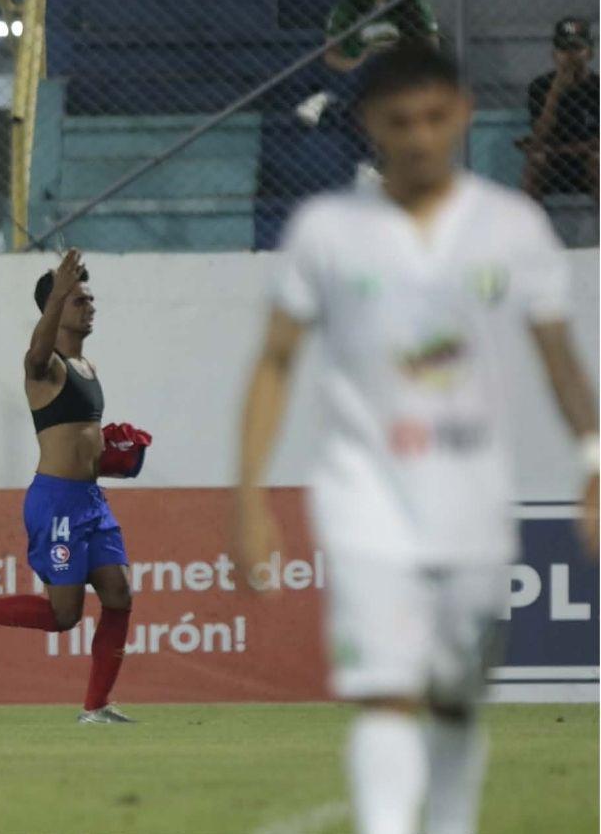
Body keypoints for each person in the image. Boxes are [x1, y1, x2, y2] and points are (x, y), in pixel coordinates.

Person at [236, 44, 598, 834]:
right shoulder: (328, 230)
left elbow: (560, 358)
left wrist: (593, 460)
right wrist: (250, 496)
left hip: (472, 500)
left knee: (455, 695)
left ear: (463, 114)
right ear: (371, 123)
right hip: (364, 495)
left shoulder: (513, 227)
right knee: (387, 691)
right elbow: (275, 360)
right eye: (401, 121)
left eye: (435, 118)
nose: (420, 137)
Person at [0, 250, 152, 723]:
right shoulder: (47, 368)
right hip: (57, 503)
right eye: (79, 300)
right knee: (63, 616)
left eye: (90, 299)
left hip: (91, 501)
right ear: (55, 308)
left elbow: (79, 438)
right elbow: (36, 354)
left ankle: (96, 707)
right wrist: (57, 293)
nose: (90, 307)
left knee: (119, 595)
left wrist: (108, 454)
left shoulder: (88, 368)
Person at [296, 0, 439, 127]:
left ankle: (331, 98)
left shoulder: (416, 8)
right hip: (359, 75)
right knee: (373, 60)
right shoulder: (347, 9)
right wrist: (360, 62)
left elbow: (432, 50)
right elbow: (331, 56)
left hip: (402, 75)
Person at [519, 17, 599, 203]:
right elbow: (540, 136)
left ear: (589, 53)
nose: (570, 55)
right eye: (564, 49)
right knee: (535, 162)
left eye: (577, 48)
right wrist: (555, 92)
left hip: (587, 163)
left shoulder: (598, 87)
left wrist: (554, 147)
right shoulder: (540, 86)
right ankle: (528, 222)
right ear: (554, 54)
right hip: (553, 164)